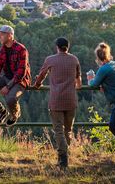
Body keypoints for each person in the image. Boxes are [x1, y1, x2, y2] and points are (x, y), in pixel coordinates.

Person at [33, 37, 82, 170]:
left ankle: (63, 158)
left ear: (57, 47)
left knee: (58, 130)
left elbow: (41, 75)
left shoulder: (50, 59)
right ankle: (66, 154)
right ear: (68, 47)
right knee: (68, 130)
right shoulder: (74, 59)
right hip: (71, 100)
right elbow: (79, 80)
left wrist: (37, 85)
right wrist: (77, 86)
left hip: (56, 100)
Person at [0, 25, 31, 127]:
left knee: (10, 99)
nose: (0, 37)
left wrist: (8, 87)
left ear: (10, 36)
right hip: (7, 77)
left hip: (20, 80)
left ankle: (14, 115)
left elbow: (21, 72)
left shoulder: (21, 49)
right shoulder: (3, 49)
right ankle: (1, 111)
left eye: (2, 34)